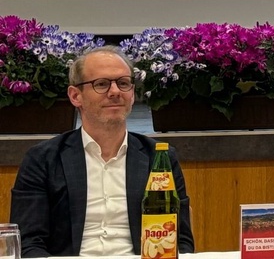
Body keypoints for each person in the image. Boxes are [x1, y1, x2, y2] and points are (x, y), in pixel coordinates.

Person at [9, 47, 195, 257]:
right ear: (75, 96)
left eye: (123, 83)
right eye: (101, 84)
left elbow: (180, 240)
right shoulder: (43, 159)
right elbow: (28, 243)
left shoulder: (159, 158)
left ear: (132, 94)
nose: (115, 91)